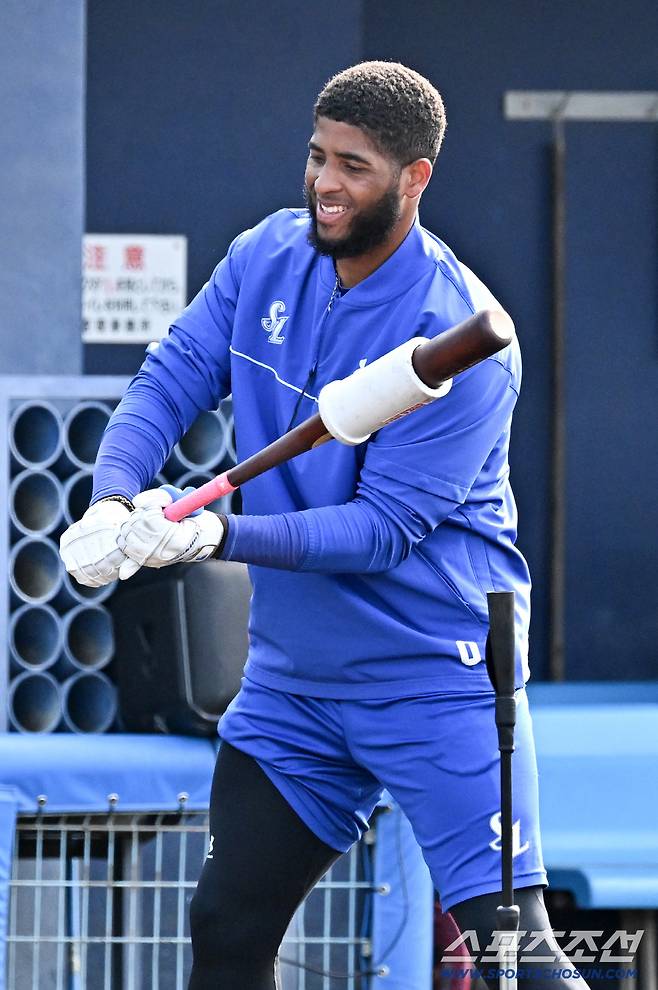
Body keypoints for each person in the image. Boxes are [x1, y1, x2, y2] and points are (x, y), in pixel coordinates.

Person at [60, 62, 590, 990]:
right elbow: (174, 373)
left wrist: (216, 535)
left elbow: (381, 531)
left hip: (439, 681)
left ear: (415, 178)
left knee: (518, 964)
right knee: (226, 928)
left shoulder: (457, 333)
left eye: (355, 166)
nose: (325, 184)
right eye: (317, 157)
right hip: (296, 686)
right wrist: (115, 492)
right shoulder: (266, 252)